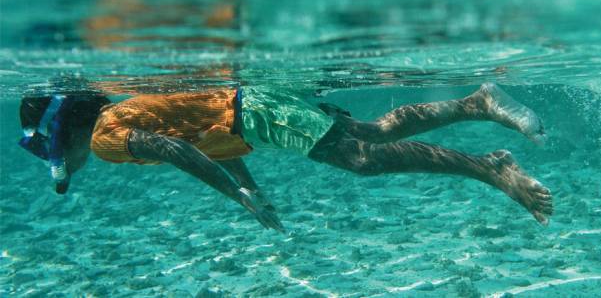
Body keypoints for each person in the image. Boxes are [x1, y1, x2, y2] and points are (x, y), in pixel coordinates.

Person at [18, 80, 552, 230]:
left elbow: (177, 150)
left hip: (260, 116)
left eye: (45, 146)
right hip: (256, 110)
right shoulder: (123, 109)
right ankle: (480, 113)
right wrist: (250, 187)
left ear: (59, 133)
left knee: (367, 153)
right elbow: (208, 135)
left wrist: (237, 198)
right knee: (375, 132)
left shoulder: (106, 139)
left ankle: (490, 162)